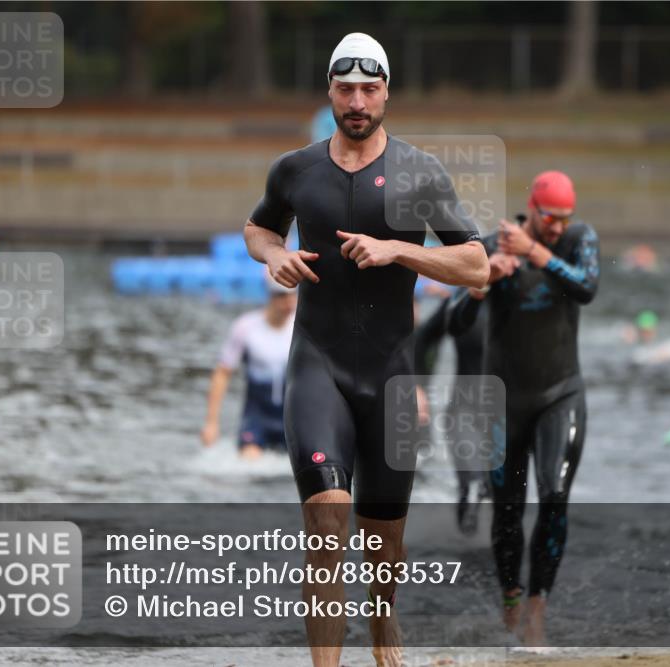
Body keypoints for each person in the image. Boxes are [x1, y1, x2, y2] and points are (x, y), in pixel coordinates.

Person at [243, 32, 487, 667]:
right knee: (326, 526)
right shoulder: (295, 169)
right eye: (345, 89)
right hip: (316, 366)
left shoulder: (420, 173)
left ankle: (383, 628)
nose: (357, 101)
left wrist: (397, 249)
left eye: (369, 89)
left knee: (383, 543)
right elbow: (259, 225)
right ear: (329, 92)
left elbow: (477, 265)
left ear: (386, 94)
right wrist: (276, 255)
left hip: (393, 377)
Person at [448, 170, 599, 647]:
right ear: (531, 208)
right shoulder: (493, 245)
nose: (557, 226)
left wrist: (537, 253)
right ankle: (511, 594)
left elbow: (587, 286)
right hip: (503, 403)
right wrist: (483, 281)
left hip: (560, 394)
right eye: (549, 218)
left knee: (553, 494)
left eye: (563, 219)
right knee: (508, 511)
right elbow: (454, 321)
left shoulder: (577, 241)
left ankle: (538, 609)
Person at [413, 289, 490, 535]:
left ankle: (499, 555)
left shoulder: (522, 297)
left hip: (508, 415)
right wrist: (418, 388)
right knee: (473, 484)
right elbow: (422, 340)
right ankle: (466, 551)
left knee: (500, 488)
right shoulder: (459, 301)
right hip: (463, 411)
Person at [200, 276, 296, 459]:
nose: (289, 304)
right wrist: (211, 422)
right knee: (250, 461)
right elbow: (222, 373)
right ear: (272, 297)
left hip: (292, 413)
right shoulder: (245, 327)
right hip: (257, 413)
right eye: (283, 298)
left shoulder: (300, 326)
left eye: (293, 297)